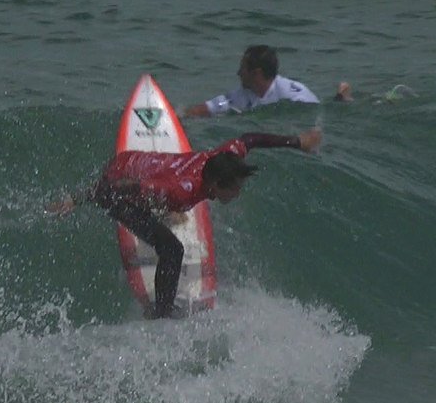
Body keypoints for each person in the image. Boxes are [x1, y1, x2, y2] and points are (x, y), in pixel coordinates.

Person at [46, 127, 323, 318]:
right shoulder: (180, 190)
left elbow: (249, 139)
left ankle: (165, 212)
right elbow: (121, 187)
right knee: (172, 249)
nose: (237, 193)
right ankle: (161, 313)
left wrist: (298, 141)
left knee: (168, 208)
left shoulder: (219, 159)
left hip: (137, 162)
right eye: (234, 189)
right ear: (215, 185)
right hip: (118, 181)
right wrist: (76, 199)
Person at [184, 45, 350, 117]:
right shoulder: (242, 94)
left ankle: (341, 98)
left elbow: (319, 116)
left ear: (256, 73)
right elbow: (209, 108)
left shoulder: (293, 95)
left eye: (242, 69)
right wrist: (181, 116)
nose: (238, 73)